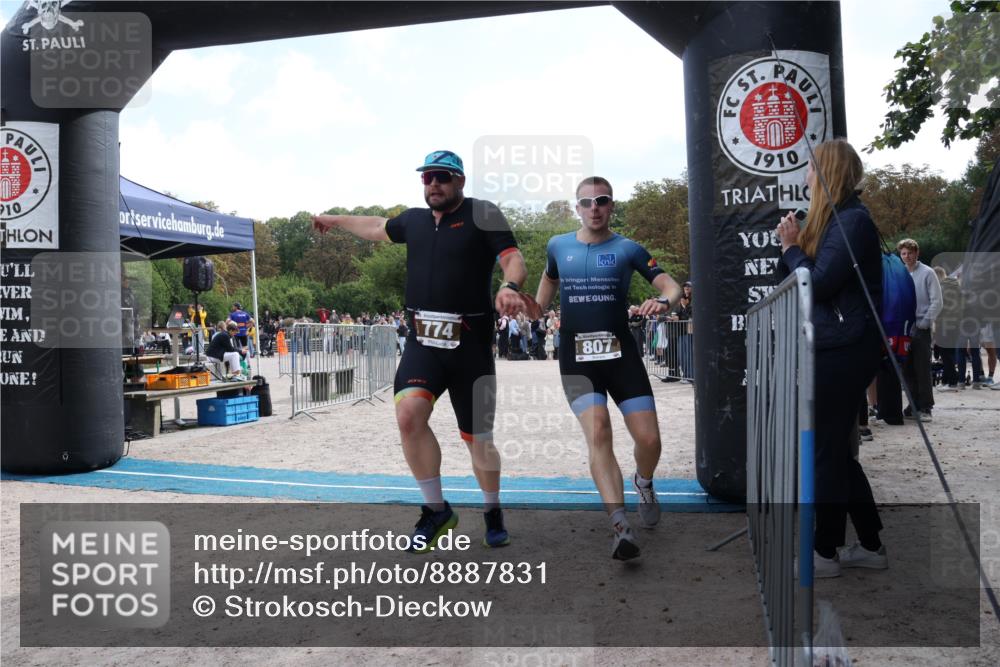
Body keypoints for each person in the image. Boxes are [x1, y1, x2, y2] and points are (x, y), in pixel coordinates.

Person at [312, 149, 534, 551]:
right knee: (408, 416)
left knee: (477, 438)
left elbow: (513, 258)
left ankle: (492, 509)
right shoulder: (413, 220)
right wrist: (335, 219)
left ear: (460, 181)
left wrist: (509, 286)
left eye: (443, 177)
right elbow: (377, 226)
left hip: (470, 347)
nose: (434, 184)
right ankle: (436, 510)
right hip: (423, 343)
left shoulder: (483, 214)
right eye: (428, 177)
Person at [532, 176, 681, 561]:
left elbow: (672, 287)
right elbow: (548, 280)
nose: (594, 207)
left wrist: (665, 302)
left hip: (620, 357)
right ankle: (620, 525)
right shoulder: (557, 246)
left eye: (602, 200)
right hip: (577, 360)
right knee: (598, 432)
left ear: (612, 206)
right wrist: (536, 309)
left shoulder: (629, 249)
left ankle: (643, 482)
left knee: (649, 440)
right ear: (576, 208)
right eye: (587, 202)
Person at [775, 138, 888, 578]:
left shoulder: (852, 221)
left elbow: (815, 285)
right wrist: (794, 245)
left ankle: (825, 551)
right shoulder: (839, 221)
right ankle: (870, 545)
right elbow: (799, 278)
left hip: (844, 348)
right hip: (837, 345)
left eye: (809, 169)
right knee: (835, 453)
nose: (804, 177)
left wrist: (791, 248)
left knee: (826, 452)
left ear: (828, 174)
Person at [898, 238, 942, 421]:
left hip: (921, 326)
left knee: (922, 368)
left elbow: (937, 301)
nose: (907, 257)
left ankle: (925, 407)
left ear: (917, 253)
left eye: (910, 253)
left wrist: (924, 322)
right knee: (906, 369)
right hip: (902, 327)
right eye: (903, 253)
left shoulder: (928, 273)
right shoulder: (899, 273)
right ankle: (913, 404)